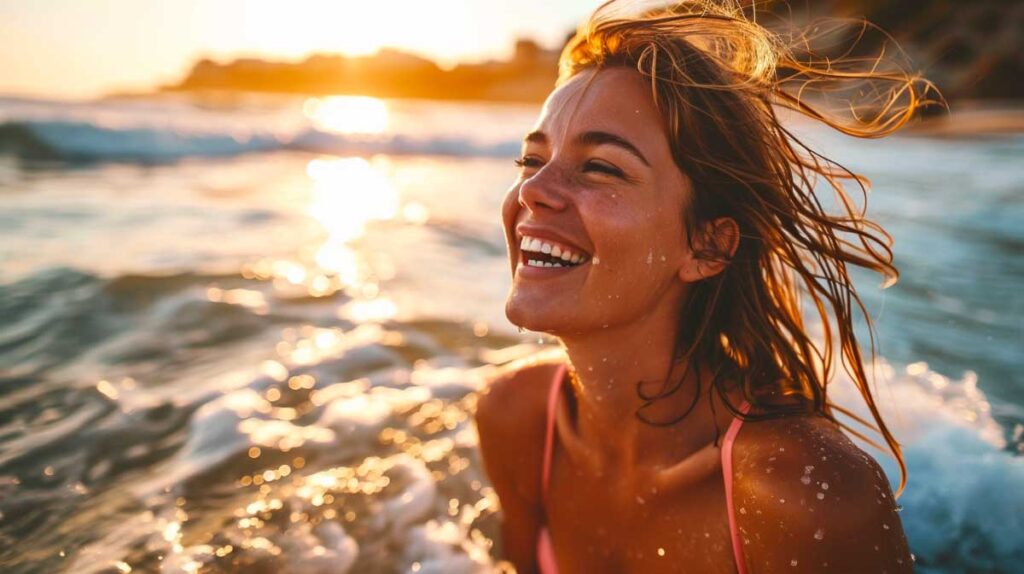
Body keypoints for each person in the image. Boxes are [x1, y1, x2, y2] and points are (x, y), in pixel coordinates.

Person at [475, 1, 936, 572]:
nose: (533, 192)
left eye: (601, 167)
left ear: (708, 246)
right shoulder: (516, 416)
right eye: (530, 159)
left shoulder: (806, 495)